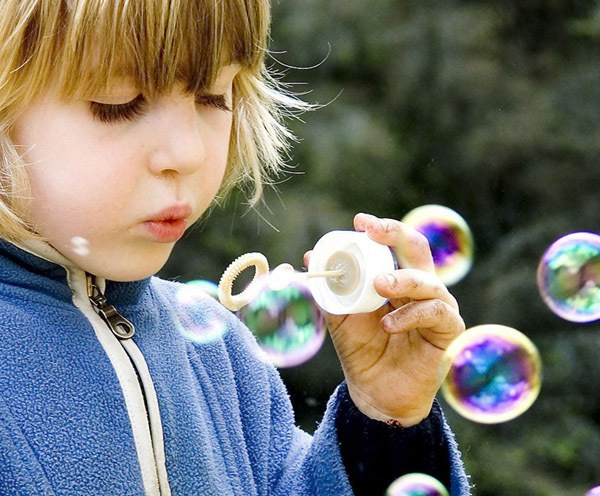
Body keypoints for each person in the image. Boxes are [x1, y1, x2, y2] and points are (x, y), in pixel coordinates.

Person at [0, 0, 471, 494]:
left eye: (213, 97)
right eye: (119, 102)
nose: (189, 153)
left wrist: (385, 422)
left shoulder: (223, 359)